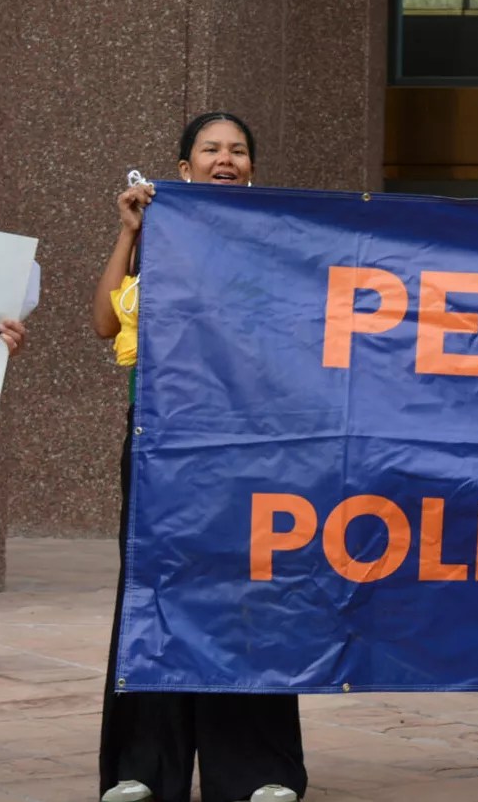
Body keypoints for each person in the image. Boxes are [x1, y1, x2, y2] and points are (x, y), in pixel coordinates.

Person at [92, 112, 308, 802]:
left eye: (238, 150)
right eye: (210, 149)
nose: (225, 158)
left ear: (252, 167)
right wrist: (130, 231)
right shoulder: (160, 235)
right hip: (164, 448)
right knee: (153, 594)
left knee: (253, 592)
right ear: (182, 169)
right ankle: (142, 768)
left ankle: (259, 769)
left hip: (253, 444)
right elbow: (105, 322)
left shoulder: (279, 240)